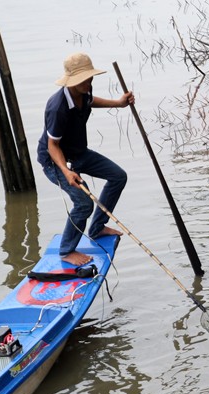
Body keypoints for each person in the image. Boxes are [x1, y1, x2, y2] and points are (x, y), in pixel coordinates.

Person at [38, 52, 134, 266]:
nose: (88, 82)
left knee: (118, 176)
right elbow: (53, 145)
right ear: (71, 81)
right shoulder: (57, 107)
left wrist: (118, 103)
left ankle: (97, 227)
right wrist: (66, 171)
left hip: (78, 153)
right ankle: (66, 250)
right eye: (83, 79)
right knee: (83, 203)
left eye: (89, 77)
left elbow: (90, 101)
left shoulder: (85, 90)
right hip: (55, 161)